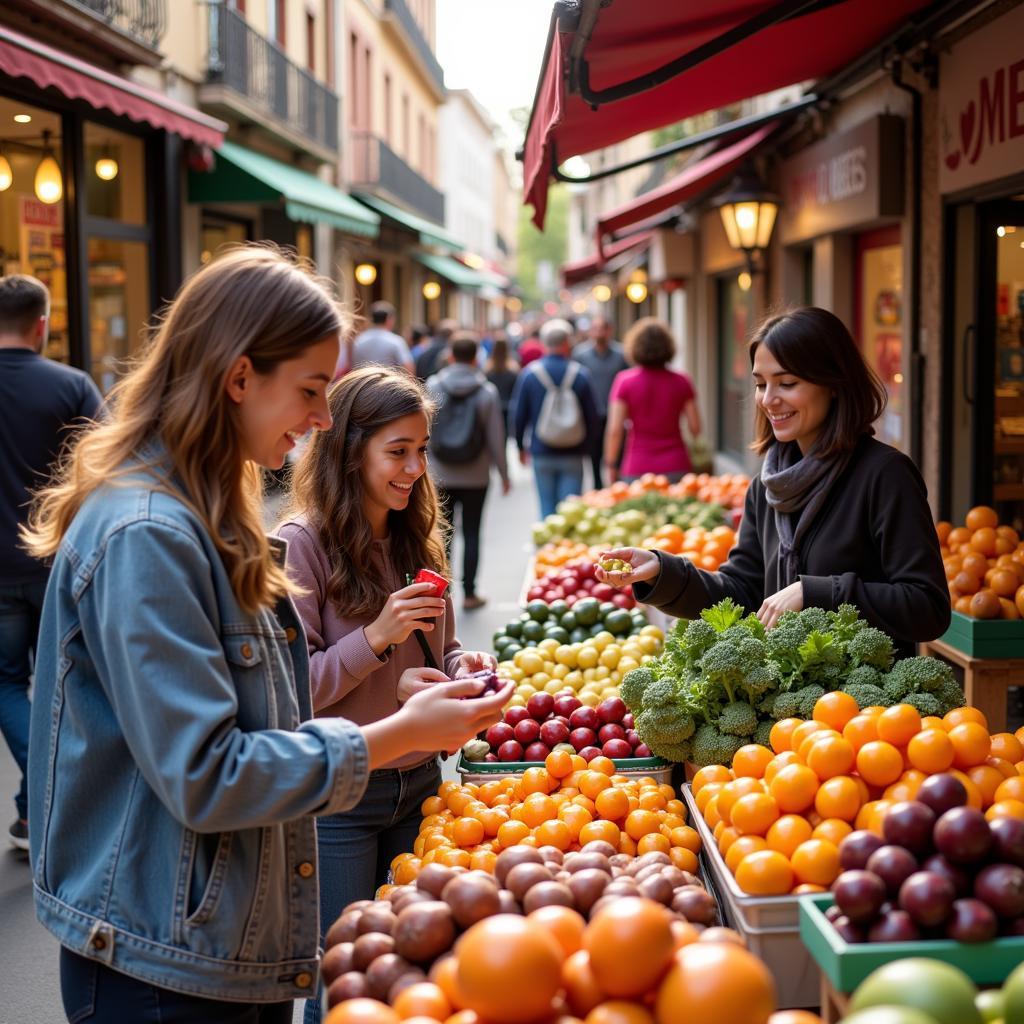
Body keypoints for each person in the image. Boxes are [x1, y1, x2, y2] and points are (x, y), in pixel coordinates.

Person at [21, 246, 509, 1023]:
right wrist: (394, 733)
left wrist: (413, 686)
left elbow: (263, 711)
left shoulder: (209, 515)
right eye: (311, 390)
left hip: (218, 936)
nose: (322, 420)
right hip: (166, 964)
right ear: (239, 377)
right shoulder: (149, 532)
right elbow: (208, 772)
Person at [275, 365, 501, 1024]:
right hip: (341, 798)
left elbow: (440, 650)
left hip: (421, 785)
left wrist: (468, 664)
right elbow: (294, 691)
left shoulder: (412, 534)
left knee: (412, 979)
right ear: (349, 452)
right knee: (344, 977)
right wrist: (375, 636)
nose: (414, 468)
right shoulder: (302, 546)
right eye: (397, 452)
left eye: (421, 450)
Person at [597, 307, 950, 657]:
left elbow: (927, 607)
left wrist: (816, 593)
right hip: (786, 701)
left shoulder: (886, 475)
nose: (768, 400)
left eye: (787, 383)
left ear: (834, 384)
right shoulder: (767, 485)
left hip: (866, 710)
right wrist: (663, 571)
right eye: (761, 384)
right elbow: (742, 592)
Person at [0, 275, 102, 852]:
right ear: (41, 324)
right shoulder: (71, 386)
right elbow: (108, 467)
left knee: (6, 682)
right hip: (57, 561)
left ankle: (32, 804)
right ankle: (40, 798)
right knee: (67, 685)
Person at [427, 332, 511, 610]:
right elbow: (496, 438)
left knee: (442, 533)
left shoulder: (433, 385)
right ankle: (471, 593)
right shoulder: (486, 391)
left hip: (440, 472)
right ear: (476, 357)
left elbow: (423, 431)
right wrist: (504, 473)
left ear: (450, 355)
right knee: (473, 532)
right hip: (476, 474)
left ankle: (443, 592)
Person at [511, 318, 600, 518]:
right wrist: (588, 447)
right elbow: (592, 417)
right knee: (571, 512)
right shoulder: (581, 374)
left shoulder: (530, 374)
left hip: (542, 450)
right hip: (574, 452)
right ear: (567, 342)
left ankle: (548, 548)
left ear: (544, 343)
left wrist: (520, 446)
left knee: (547, 509)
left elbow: (519, 415)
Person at [603, 317, 701, 484]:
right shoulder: (682, 381)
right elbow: (695, 428)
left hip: (637, 465)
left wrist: (611, 464)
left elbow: (614, 430)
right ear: (669, 347)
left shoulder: (624, 381)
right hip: (676, 464)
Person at [573, 314, 629, 487]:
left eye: (602, 329)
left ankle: (616, 487)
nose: (598, 333)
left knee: (616, 455)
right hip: (591, 416)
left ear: (609, 331)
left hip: (615, 415)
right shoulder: (580, 355)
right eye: (595, 329)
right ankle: (597, 488)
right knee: (594, 456)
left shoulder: (621, 355)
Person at [346, 300, 414, 374]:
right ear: (388, 319)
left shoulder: (358, 341)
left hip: (364, 383)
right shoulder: (396, 341)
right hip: (389, 383)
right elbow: (408, 368)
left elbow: (352, 365)